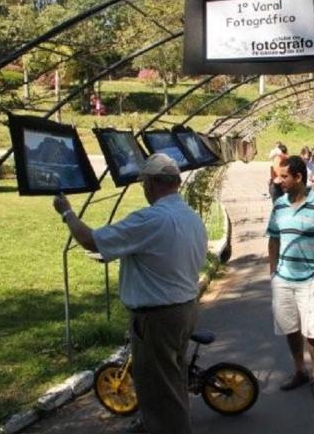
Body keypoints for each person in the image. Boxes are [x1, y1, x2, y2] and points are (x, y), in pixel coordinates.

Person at [52, 153, 206, 434]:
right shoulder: (189, 216)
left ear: (151, 183)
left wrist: (67, 212)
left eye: (143, 183)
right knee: (174, 380)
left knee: (158, 390)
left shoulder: (151, 218)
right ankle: (160, 423)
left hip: (157, 318)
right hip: (185, 308)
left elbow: (90, 240)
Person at [266, 155, 314, 399]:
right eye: (279, 176)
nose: (279, 181)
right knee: (291, 327)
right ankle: (300, 371)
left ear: (299, 177)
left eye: (284, 176)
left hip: (310, 279)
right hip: (284, 279)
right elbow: (274, 238)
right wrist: (273, 272)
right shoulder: (279, 206)